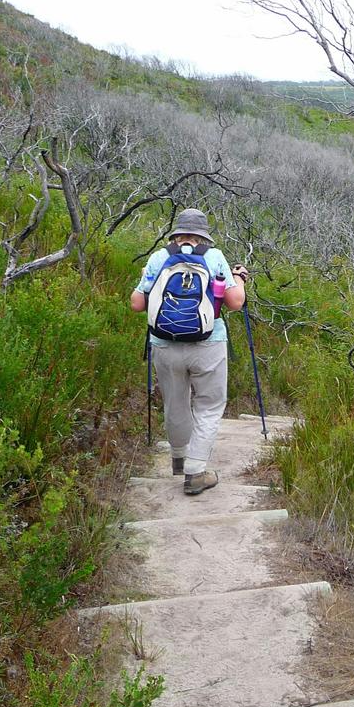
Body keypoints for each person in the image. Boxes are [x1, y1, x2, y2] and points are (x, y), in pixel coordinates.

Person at [130, 208, 248, 495]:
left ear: (177, 232)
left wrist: (147, 281)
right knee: (208, 406)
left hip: (164, 345)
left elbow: (136, 303)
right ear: (202, 234)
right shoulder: (214, 257)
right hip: (208, 343)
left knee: (175, 403)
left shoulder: (160, 257)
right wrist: (240, 278)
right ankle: (196, 473)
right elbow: (234, 302)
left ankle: (180, 458)